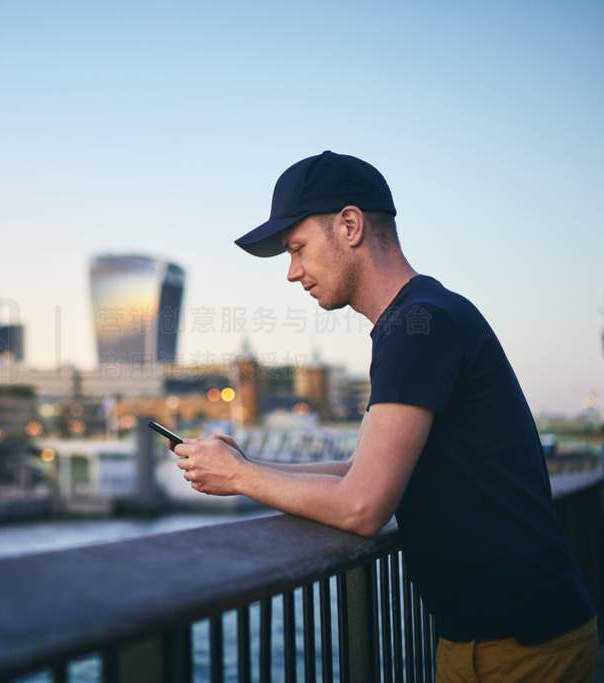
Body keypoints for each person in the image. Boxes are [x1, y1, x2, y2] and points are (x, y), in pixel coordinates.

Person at [172, 150, 598, 681]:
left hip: (515, 651)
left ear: (349, 225)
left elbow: (363, 505)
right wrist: (249, 464)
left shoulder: (416, 326)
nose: (291, 272)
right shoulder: (429, 314)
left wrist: (239, 476)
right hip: (506, 639)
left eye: (297, 248)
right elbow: (365, 468)